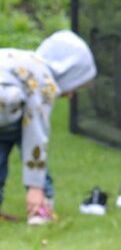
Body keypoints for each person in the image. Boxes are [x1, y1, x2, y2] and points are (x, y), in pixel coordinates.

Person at [0, 30, 97, 225]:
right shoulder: (44, 81)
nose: (70, 95)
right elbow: (35, 134)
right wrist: (36, 186)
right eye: (75, 87)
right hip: (7, 108)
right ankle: (39, 209)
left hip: (6, 115)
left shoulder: (26, 62)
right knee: (31, 144)